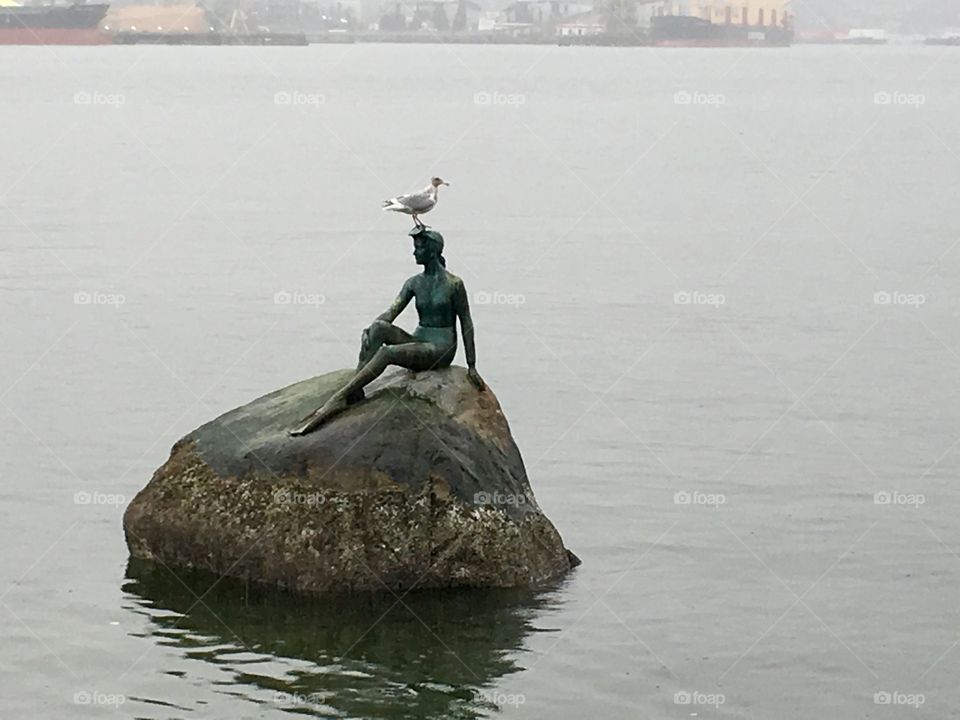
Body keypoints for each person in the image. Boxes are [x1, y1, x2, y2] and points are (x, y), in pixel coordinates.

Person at [290, 227, 484, 436]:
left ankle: (339, 398)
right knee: (379, 329)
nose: (414, 253)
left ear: (433, 251)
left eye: (418, 248)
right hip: (420, 338)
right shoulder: (414, 283)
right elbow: (391, 312)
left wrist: (472, 365)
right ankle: (355, 391)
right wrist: (371, 327)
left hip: (441, 348)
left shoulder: (454, 284)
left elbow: (466, 323)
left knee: (387, 353)